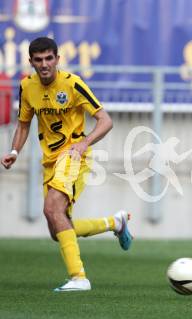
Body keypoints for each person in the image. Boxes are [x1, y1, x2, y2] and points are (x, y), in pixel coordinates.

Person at [1, 37, 133, 292]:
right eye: (38, 60)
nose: (44, 64)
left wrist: (84, 144)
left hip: (73, 156)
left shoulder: (72, 84)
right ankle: (114, 223)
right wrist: (14, 151)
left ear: (57, 59)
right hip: (50, 161)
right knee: (56, 227)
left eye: (49, 58)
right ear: (31, 62)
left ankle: (79, 277)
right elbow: (24, 123)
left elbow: (105, 120)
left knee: (52, 209)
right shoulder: (27, 86)